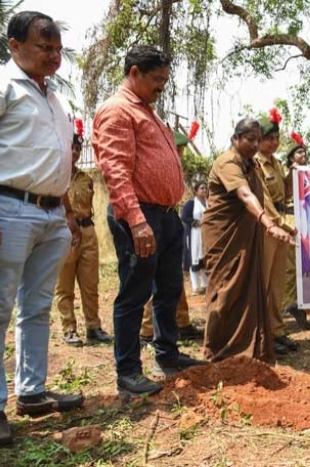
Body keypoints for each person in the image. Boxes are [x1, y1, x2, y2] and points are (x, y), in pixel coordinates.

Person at [92, 45, 205, 397]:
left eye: (165, 81)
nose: (161, 87)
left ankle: (167, 355)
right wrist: (137, 221)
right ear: (135, 72)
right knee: (134, 294)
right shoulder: (117, 110)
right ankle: (128, 371)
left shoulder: (148, 112)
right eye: (156, 79)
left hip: (167, 216)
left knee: (169, 290)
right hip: (140, 215)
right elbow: (115, 170)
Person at [0, 11, 84, 444]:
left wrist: (67, 211)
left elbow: (58, 159)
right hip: (9, 207)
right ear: (14, 46)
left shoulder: (54, 97)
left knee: (36, 307)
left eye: (57, 49)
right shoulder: (4, 86)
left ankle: (31, 392)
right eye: (43, 47)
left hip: (52, 213)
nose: (54, 55)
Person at [201, 118, 294, 363]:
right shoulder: (227, 163)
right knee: (226, 290)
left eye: (257, 139)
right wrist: (268, 223)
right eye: (250, 139)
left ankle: (248, 350)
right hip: (224, 236)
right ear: (236, 139)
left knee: (249, 289)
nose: (255, 144)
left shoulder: (250, 164)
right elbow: (245, 194)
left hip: (247, 234)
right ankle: (218, 351)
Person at [139, 131, 204, 344]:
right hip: (155, 220)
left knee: (173, 277)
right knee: (153, 277)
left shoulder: (174, 167)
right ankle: (148, 330)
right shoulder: (156, 166)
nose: (181, 154)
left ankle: (182, 322)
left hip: (170, 217)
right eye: (179, 150)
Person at [54, 121, 113, 347]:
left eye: (78, 148)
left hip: (88, 231)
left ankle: (94, 327)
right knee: (65, 284)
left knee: (91, 284)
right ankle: (69, 329)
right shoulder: (55, 177)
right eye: (71, 148)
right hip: (66, 232)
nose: (75, 152)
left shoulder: (87, 179)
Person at [255, 109, 300, 355]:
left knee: (279, 283)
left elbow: (288, 193)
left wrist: (293, 172)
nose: (272, 143)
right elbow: (264, 201)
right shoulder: (255, 164)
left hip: (282, 224)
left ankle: (277, 330)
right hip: (268, 227)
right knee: (266, 281)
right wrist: (281, 224)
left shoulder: (278, 163)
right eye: (267, 138)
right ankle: (264, 332)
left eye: (275, 138)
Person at [281, 132, 310, 330]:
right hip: (292, 218)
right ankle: (288, 304)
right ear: (292, 157)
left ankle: (298, 303)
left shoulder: (308, 173)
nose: (303, 155)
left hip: (308, 220)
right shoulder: (288, 173)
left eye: (304, 152)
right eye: (299, 152)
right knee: (291, 266)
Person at [181, 180, 209, 295]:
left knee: (205, 260)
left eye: (206, 188)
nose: (204, 190)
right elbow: (184, 217)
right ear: (196, 191)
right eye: (202, 188)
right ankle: (195, 287)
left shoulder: (209, 203)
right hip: (194, 236)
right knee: (194, 259)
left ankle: (205, 285)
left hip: (206, 235)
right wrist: (196, 223)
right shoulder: (191, 204)